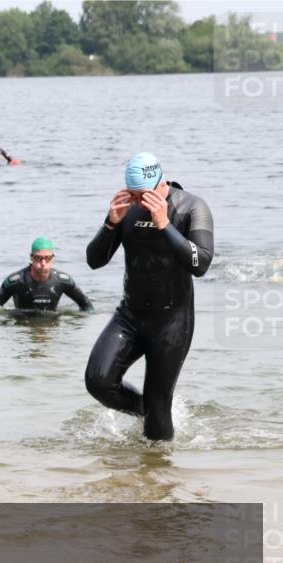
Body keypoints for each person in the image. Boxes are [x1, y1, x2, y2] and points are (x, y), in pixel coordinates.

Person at [84, 152, 214, 440]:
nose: (138, 203)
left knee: (158, 408)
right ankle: (148, 414)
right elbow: (94, 261)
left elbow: (201, 264)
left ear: (162, 185)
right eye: (133, 195)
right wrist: (110, 224)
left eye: (144, 196)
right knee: (98, 381)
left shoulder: (192, 208)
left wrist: (164, 224)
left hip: (172, 323)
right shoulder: (126, 210)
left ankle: (157, 464)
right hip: (130, 315)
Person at [0, 237, 94, 314]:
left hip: (51, 328)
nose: (43, 263)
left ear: (53, 258)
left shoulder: (63, 281)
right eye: (38, 258)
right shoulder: (16, 281)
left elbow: (86, 304)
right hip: (22, 329)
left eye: (47, 258)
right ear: (31, 257)